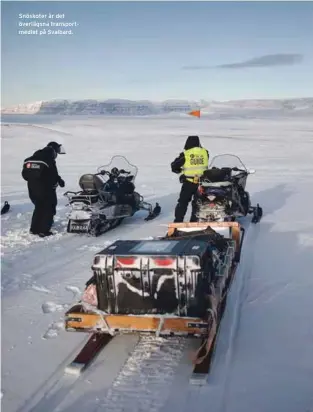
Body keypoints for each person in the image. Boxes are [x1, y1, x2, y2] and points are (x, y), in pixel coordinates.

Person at [22, 141, 65, 237]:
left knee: (39, 207)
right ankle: (44, 230)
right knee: (49, 207)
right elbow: (53, 174)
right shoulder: (48, 159)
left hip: (32, 187)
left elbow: (25, 175)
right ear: (54, 150)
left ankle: (34, 229)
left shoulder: (33, 158)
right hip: (45, 188)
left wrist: (58, 179)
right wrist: (57, 182)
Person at [171, 135, 209, 222]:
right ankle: (194, 221)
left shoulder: (186, 154)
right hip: (202, 183)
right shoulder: (205, 152)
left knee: (183, 202)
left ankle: (178, 221)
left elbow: (174, 166)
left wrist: (180, 171)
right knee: (197, 203)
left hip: (188, 182)